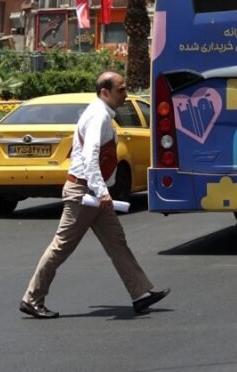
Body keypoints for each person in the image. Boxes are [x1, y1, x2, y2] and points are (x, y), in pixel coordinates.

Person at [20, 72, 170, 319]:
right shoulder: (98, 116)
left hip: (93, 191)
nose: (125, 94)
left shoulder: (100, 114)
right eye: (120, 90)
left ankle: (141, 294)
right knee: (61, 247)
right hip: (84, 193)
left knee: (116, 242)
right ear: (105, 92)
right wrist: (102, 192)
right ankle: (32, 298)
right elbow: (90, 157)